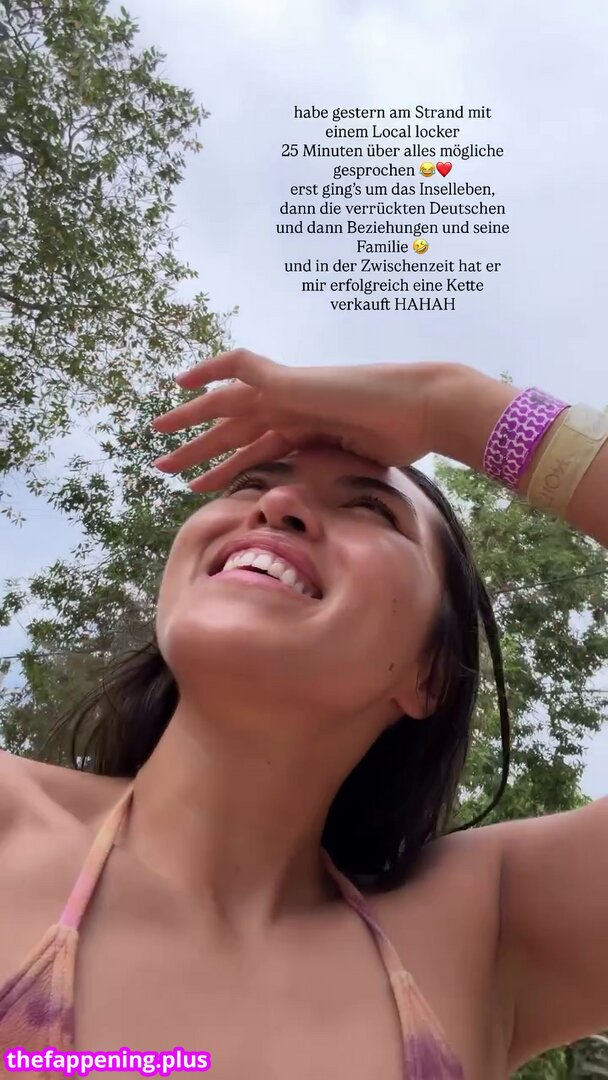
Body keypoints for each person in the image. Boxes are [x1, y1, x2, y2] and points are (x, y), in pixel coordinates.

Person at [0, 350, 606, 1080]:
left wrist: (449, 404)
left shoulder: (489, 930)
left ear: (430, 675)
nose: (277, 505)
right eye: (251, 484)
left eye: (370, 509)